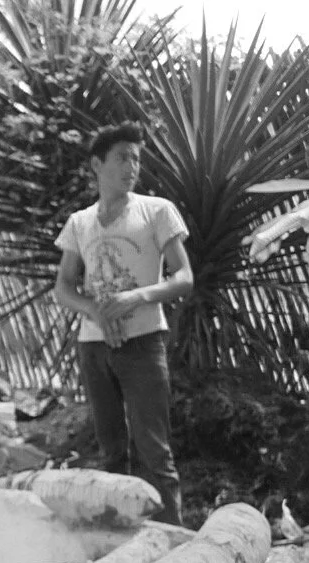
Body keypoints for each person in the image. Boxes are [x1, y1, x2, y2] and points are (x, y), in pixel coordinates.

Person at [53, 122, 193, 526]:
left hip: (143, 342)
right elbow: (63, 287)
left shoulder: (156, 211)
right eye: (122, 158)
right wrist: (94, 311)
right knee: (111, 450)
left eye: (136, 159)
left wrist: (136, 297)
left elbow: (184, 277)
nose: (131, 167)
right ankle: (117, 536)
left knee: (154, 450)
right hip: (93, 346)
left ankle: (171, 537)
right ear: (97, 165)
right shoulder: (80, 223)